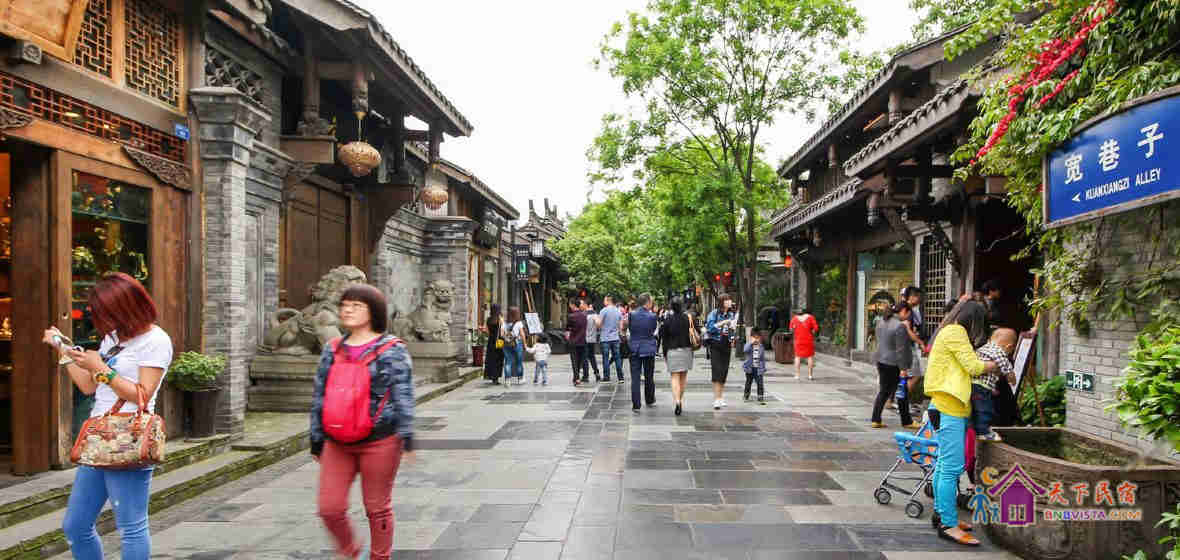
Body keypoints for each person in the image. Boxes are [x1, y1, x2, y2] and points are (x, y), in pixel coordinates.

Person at [43, 272, 173, 560]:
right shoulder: (113, 338)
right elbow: (89, 386)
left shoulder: (156, 341)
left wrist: (101, 368)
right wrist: (63, 350)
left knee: (131, 528)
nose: (102, 321)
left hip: (129, 438)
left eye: (106, 313)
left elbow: (142, 394)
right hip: (98, 438)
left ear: (126, 308)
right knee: (76, 526)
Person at [309, 283, 414, 560]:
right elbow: (320, 394)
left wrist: (407, 436)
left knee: (377, 507)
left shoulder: (392, 350)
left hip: (380, 439)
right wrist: (316, 438)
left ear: (373, 311)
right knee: (329, 508)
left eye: (356, 305)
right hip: (337, 439)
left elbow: (403, 393)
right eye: (345, 305)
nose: (347, 310)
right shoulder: (332, 349)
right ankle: (350, 551)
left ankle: (380, 556)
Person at [925, 299, 998, 547]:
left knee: (944, 464)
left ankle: (941, 514)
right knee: (951, 467)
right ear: (975, 321)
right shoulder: (956, 332)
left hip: (945, 405)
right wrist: (996, 365)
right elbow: (973, 366)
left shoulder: (949, 331)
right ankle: (948, 524)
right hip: (950, 408)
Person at [871, 302, 918, 429]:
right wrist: (903, 368)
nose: (908, 317)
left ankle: (876, 419)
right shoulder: (899, 326)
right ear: (903, 311)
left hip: (881, 360)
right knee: (902, 392)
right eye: (908, 314)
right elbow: (901, 349)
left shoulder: (881, 321)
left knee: (884, 391)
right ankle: (906, 421)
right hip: (894, 363)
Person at [972, 328, 1018, 441]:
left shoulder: (982, 349)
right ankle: (983, 432)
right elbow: (1007, 370)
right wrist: (1012, 379)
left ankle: (978, 429)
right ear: (1009, 347)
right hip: (981, 387)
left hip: (974, 384)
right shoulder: (999, 353)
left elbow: (986, 375)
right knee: (985, 409)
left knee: (977, 408)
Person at [660, 296, 694, 416]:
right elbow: (696, 331)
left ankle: (677, 401)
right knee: (683, 378)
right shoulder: (687, 318)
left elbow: (664, 338)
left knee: (674, 377)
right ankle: (680, 400)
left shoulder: (668, 320)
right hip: (686, 350)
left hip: (672, 351)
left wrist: (664, 353)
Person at [625, 293, 659, 412]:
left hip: (634, 347)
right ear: (647, 302)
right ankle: (649, 399)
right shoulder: (652, 316)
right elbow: (653, 330)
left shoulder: (632, 315)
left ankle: (636, 404)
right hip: (648, 348)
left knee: (635, 377)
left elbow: (630, 329)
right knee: (649, 375)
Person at [706, 294, 737, 410]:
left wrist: (732, 337)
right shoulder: (714, 314)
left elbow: (732, 329)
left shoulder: (731, 314)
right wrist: (723, 322)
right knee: (717, 371)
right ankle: (716, 398)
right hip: (715, 344)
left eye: (729, 299)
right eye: (727, 300)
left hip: (726, 344)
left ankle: (720, 397)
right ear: (722, 302)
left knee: (724, 371)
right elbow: (709, 328)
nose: (729, 301)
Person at [597, 296, 625, 383]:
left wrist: (598, 323)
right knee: (617, 358)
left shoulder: (603, 311)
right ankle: (620, 377)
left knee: (605, 358)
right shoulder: (618, 311)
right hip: (615, 338)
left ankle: (606, 377)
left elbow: (599, 324)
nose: (603, 302)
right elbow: (621, 326)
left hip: (605, 338)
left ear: (608, 301)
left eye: (604, 300)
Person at [789, 308, 819, 380]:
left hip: (798, 340)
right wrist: (812, 332)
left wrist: (796, 330)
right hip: (808, 340)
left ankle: (797, 375)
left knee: (797, 357)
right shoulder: (811, 317)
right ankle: (810, 375)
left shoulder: (794, 319)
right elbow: (816, 328)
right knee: (810, 357)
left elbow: (791, 329)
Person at [565, 300, 588, 385]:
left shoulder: (571, 316)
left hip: (574, 341)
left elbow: (567, 329)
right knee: (580, 360)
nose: (570, 306)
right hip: (583, 341)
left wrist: (568, 337)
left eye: (570, 305)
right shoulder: (584, 316)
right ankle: (577, 377)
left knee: (574, 360)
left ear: (573, 305)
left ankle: (576, 378)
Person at [743, 328, 767, 404]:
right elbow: (745, 350)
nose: (756, 339)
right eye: (754, 337)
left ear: (760, 338)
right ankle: (746, 395)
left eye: (758, 338)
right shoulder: (748, 345)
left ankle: (760, 397)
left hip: (758, 368)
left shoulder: (761, 346)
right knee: (748, 382)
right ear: (751, 337)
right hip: (749, 368)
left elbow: (762, 358)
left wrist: (763, 367)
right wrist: (751, 343)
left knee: (760, 383)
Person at [504, 307, 526, 385]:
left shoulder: (505, 323)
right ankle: (520, 378)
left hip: (506, 343)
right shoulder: (519, 323)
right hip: (517, 343)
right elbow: (522, 334)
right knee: (519, 362)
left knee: (508, 362)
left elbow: (502, 334)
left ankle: (507, 380)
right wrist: (524, 344)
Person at [484, 304, 505, 386]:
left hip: (491, 341)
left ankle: (490, 375)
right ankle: (496, 378)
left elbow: (487, 331)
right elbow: (502, 332)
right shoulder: (500, 319)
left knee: (491, 359)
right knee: (498, 359)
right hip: (499, 342)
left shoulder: (488, 319)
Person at [583, 301, 602, 382]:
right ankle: (596, 373)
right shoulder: (595, 315)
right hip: (592, 339)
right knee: (592, 357)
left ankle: (586, 376)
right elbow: (599, 325)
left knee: (584, 358)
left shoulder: (583, 315)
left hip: (584, 339)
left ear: (586, 305)